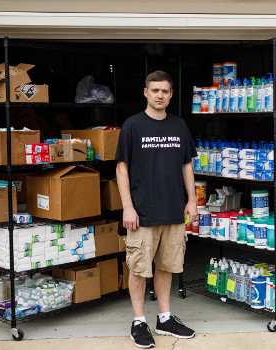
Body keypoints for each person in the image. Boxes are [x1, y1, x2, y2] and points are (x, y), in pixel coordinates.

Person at [116, 70, 198, 349]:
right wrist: (128, 206)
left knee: (167, 265)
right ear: (146, 92)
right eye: (155, 90)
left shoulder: (179, 126)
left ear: (171, 94)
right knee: (139, 268)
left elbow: (187, 164)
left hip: (174, 210)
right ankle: (139, 322)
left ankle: (164, 318)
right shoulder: (132, 125)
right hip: (141, 212)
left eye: (165, 91)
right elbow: (121, 168)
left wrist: (192, 200)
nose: (160, 95)